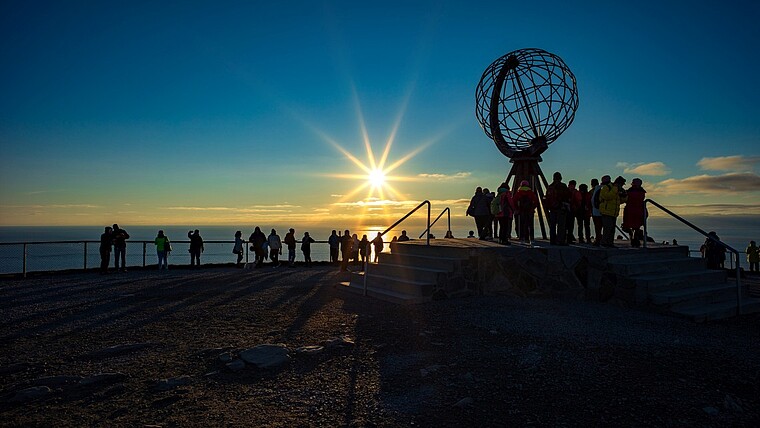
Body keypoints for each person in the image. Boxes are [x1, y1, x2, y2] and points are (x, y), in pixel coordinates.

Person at [599, 176, 628, 247]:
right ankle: (604, 243)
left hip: (614, 212)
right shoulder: (607, 187)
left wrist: (624, 195)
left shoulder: (616, 190)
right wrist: (615, 189)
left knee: (612, 229)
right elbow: (607, 196)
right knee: (607, 228)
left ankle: (610, 243)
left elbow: (620, 201)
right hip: (606, 211)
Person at [545, 172, 570, 245]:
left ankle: (552, 240)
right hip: (561, 208)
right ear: (560, 178)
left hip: (552, 208)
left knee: (552, 225)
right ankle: (560, 240)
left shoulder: (550, 187)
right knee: (561, 225)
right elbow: (566, 196)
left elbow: (547, 198)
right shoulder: (563, 186)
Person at [622, 178, 647, 247]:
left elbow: (626, 199)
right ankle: (635, 240)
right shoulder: (642, 192)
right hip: (638, 210)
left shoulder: (629, 192)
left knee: (629, 226)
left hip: (631, 210)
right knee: (636, 227)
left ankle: (633, 239)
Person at [513, 180, 539, 245]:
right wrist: (532, 208)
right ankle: (531, 239)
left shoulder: (518, 192)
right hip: (530, 211)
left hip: (521, 210)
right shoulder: (531, 192)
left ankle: (522, 239)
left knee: (522, 224)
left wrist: (517, 209)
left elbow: (514, 201)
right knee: (530, 225)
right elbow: (536, 202)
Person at [590, 178, 603, 245]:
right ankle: (600, 238)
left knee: (597, 226)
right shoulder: (602, 189)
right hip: (603, 211)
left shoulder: (593, 191)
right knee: (601, 226)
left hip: (595, 211)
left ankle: (598, 239)